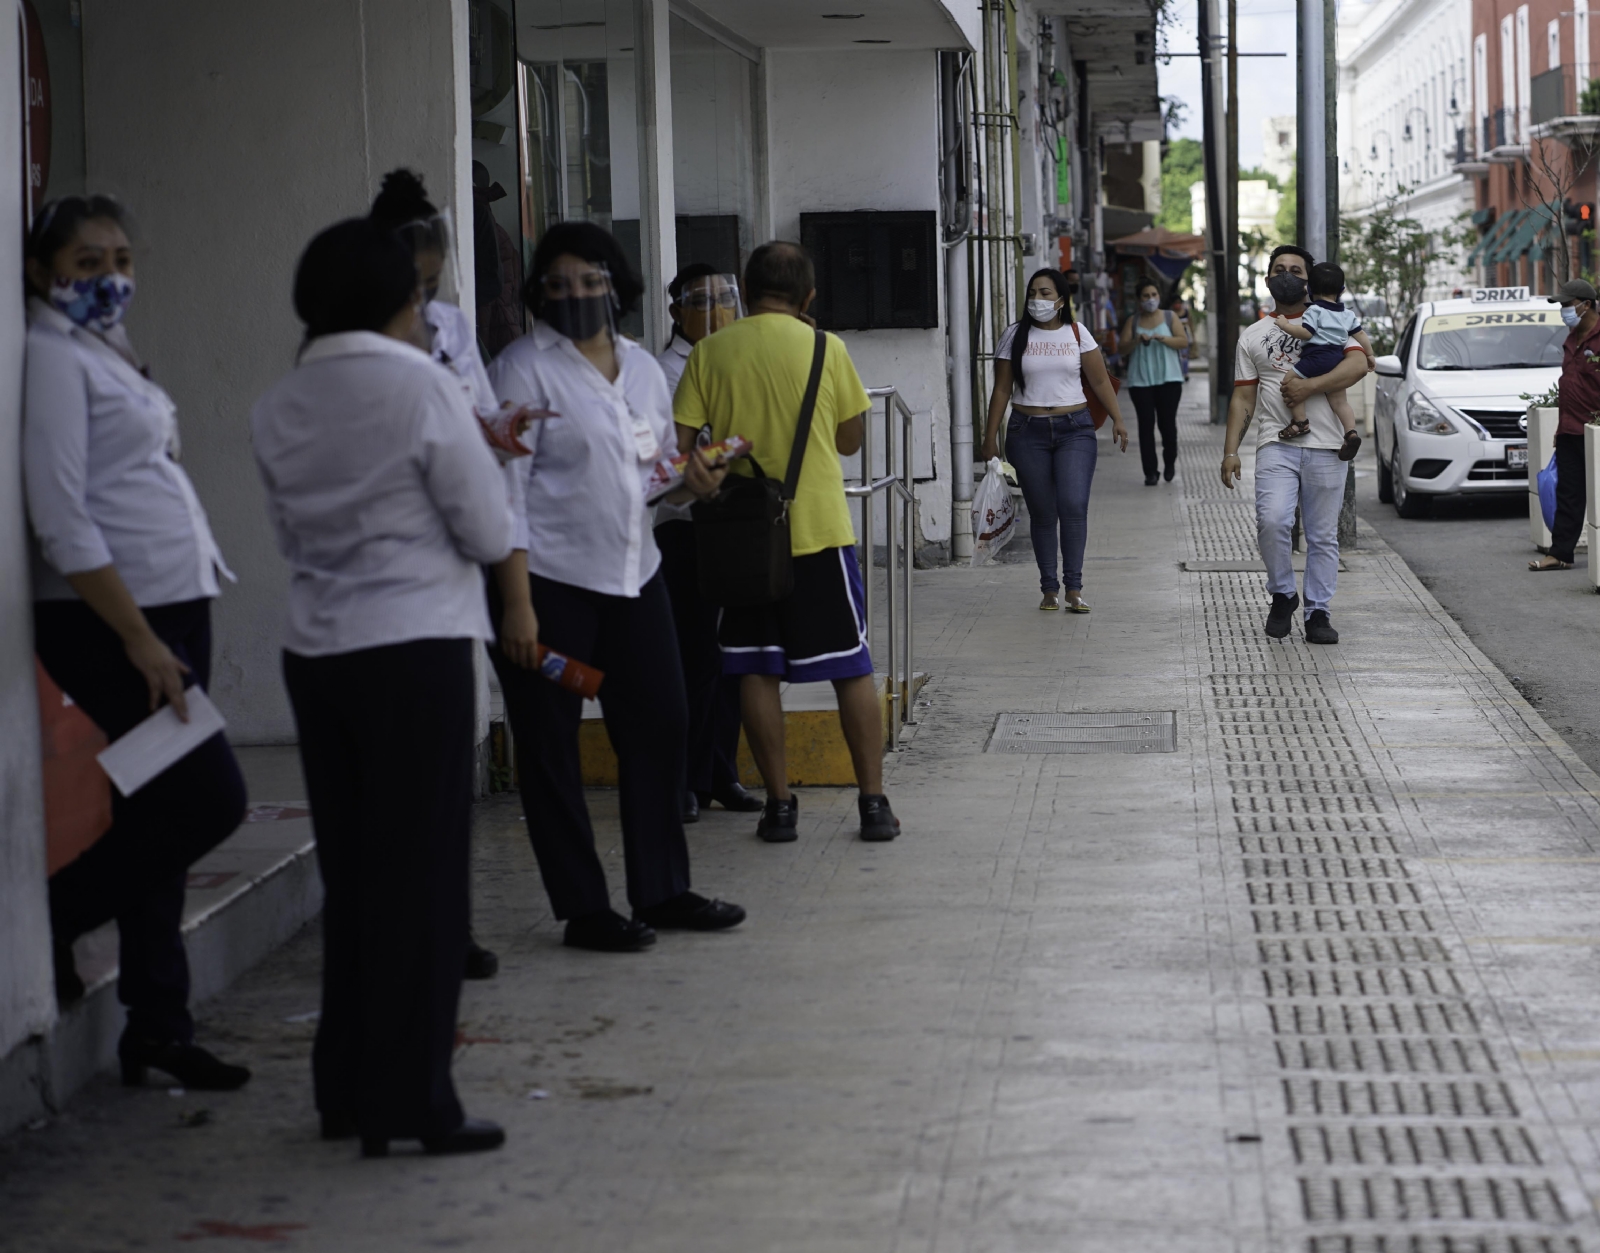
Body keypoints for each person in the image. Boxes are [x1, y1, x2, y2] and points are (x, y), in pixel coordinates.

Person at [252, 218, 517, 1157]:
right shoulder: (421, 387)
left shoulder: (281, 400)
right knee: (427, 877)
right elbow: (488, 528)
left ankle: (349, 1086)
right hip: (414, 644)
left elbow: (291, 534)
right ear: (397, 299)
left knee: (358, 875)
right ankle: (415, 1098)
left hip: (320, 650)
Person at [22, 195, 250, 1092]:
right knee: (210, 801)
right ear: (43, 271)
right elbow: (62, 518)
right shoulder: (46, 359)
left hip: (172, 602)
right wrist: (142, 642)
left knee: (156, 817)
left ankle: (157, 1024)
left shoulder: (97, 350)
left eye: (120, 257)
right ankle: (52, 911)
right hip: (117, 622)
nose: (109, 276)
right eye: (86, 262)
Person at [489, 221, 746, 952]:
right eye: (561, 284)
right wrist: (515, 604)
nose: (577, 295)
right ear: (539, 292)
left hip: (638, 577)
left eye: (592, 280)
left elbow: (653, 475)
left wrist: (692, 481)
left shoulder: (638, 367)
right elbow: (502, 492)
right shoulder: (520, 370)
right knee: (551, 746)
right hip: (550, 584)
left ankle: (662, 888)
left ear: (618, 286)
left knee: (662, 724)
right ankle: (585, 908)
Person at [673, 241, 900, 844]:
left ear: (745, 293)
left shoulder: (709, 353)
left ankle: (778, 807)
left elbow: (683, 449)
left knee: (754, 671)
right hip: (819, 532)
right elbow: (850, 441)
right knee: (851, 669)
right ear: (809, 297)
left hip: (741, 541)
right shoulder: (828, 349)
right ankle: (873, 804)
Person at [369, 167, 526, 982]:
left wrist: (501, 429)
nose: (426, 303)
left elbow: (475, 419)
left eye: (435, 285)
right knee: (395, 780)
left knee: (443, 775)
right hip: (386, 597)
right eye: (413, 287)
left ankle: (449, 924)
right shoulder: (352, 361)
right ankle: (403, 926)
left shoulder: (452, 330)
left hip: (454, 579)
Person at [654, 263, 762, 823]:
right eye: (703, 301)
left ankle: (722, 772)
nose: (717, 310)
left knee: (732, 658)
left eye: (726, 298)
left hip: (735, 526)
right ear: (676, 311)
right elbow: (668, 456)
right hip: (684, 527)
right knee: (693, 657)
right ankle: (688, 779)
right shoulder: (663, 371)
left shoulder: (736, 358)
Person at [1220, 244, 1371, 645]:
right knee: (1273, 522)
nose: (1287, 275)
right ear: (1268, 278)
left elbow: (1359, 363)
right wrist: (1231, 450)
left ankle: (1318, 611)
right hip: (1276, 442)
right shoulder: (1253, 335)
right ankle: (1283, 593)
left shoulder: (1330, 319)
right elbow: (1242, 398)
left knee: (1322, 536)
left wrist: (1309, 385)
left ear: (1310, 279)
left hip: (1327, 445)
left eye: (1296, 269)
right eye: (1280, 269)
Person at [980, 267, 1130, 612]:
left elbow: (1100, 381)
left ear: (1061, 300)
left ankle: (1074, 588)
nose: (1038, 300)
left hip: (1074, 429)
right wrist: (990, 437)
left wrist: (1118, 420)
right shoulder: (1014, 335)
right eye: (1033, 293)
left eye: (1046, 293)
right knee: (1043, 512)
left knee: (1074, 505)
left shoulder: (1077, 333)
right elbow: (1001, 389)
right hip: (1026, 431)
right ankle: (1049, 588)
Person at [1530, 278, 1600, 572]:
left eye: (1567, 305)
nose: (1563, 310)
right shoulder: (1571, 339)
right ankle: (1560, 553)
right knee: (1568, 493)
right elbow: (1569, 386)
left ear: (1586, 305)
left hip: (1596, 430)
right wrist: (1560, 429)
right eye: (1561, 305)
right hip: (1571, 428)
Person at [1270, 260, 1371, 455]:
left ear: (1309, 289)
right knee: (1340, 401)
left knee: (1290, 383)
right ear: (1341, 290)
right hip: (1336, 358)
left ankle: (1300, 422)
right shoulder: (1346, 314)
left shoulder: (1314, 310)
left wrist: (1285, 325)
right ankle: (1350, 432)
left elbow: (1306, 333)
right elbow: (1361, 336)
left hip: (1316, 356)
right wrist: (1370, 354)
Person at [1118, 278, 1189, 486]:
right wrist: (1136, 340)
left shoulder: (1170, 317)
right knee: (1145, 426)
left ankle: (1169, 463)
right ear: (1139, 300)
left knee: (1167, 425)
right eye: (1146, 296)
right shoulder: (1133, 321)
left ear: (1159, 296)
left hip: (1169, 380)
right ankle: (1150, 471)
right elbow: (1122, 349)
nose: (1151, 299)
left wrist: (1162, 338)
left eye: (1154, 295)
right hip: (1141, 382)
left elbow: (1183, 341)